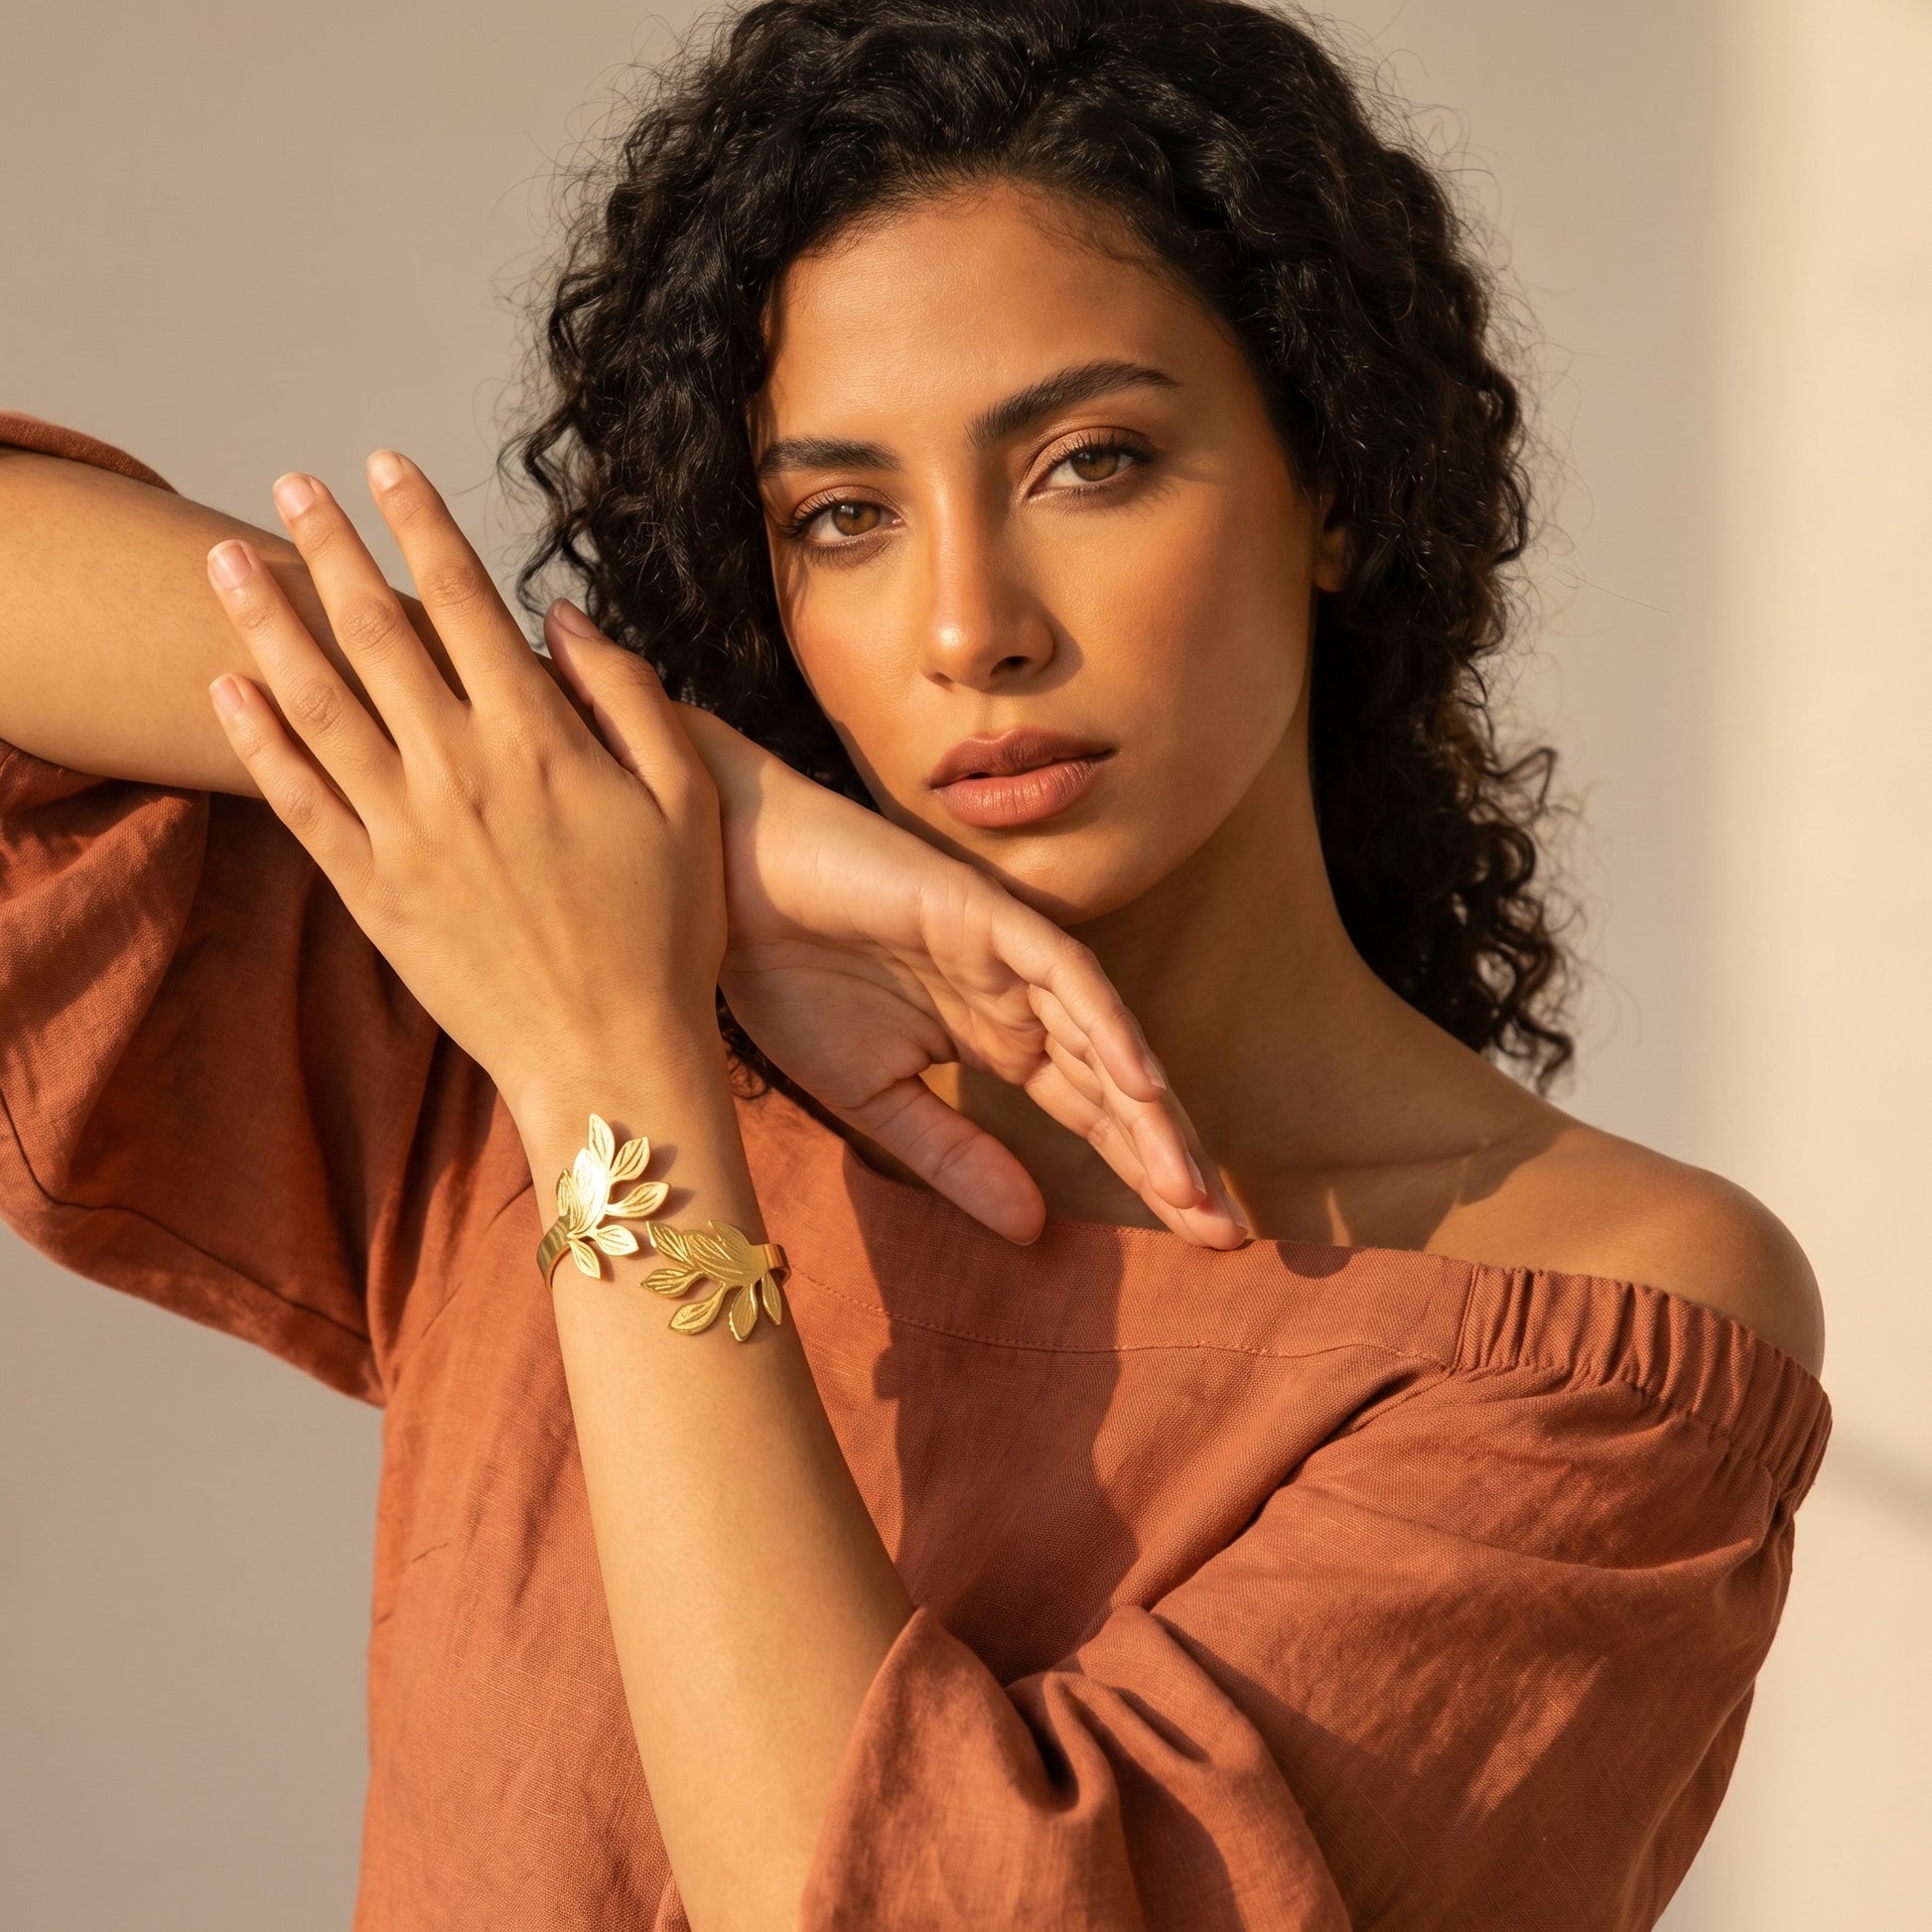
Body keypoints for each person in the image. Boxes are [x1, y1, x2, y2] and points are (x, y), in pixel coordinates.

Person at [0, 0, 1830, 1926]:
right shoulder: (520, 1007)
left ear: (1336, 481)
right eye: (845, 515)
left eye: (1090, 462)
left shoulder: (1594, 1328)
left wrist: (613, 1086)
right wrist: (712, 818)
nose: (968, 625)